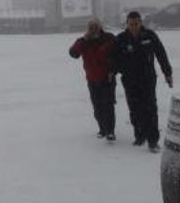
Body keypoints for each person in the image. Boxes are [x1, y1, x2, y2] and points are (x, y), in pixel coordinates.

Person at [111, 11, 172, 152]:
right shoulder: (121, 39)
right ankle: (139, 135)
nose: (134, 27)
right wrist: (112, 73)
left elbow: (161, 54)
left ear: (140, 23)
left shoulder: (149, 36)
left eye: (136, 24)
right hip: (129, 80)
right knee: (135, 109)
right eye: (131, 24)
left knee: (150, 108)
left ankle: (153, 140)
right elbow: (114, 59)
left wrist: (167, 73)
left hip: (148, 78)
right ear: (127, 24)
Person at [69, 18, 117, 141]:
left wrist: (112, 70)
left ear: (100, 26)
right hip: (92, 79)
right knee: (97, 106)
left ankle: (110, 131)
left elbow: (116, 56)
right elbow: (73, 53)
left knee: (108, 105)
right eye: (91, 28)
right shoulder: (83, 41)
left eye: (95, 27)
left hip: (108, 78)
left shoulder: (108, 38)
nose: (93, 30)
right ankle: (102, 129)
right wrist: (84, 39)